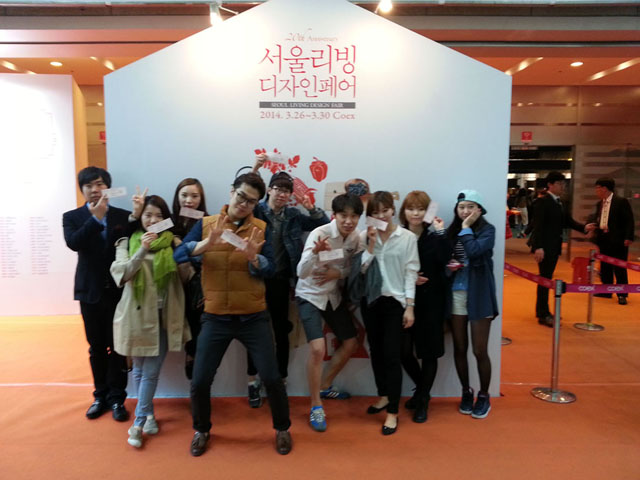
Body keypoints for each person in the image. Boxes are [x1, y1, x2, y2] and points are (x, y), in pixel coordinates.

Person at [174, 172, 292, 456]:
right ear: (232, 192)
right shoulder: (206, 225)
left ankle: (282, 428)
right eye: (241, 196)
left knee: (272, 377)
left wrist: (255, 258)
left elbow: (272, 268)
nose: (244, 204)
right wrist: (205, 245)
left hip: (253, 316)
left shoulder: (261, 228)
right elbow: (178, 255)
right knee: (200, 380)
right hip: (216, 316)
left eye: (251, 201)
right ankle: (202, 430)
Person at [247, 154, 329, 407]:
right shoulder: (256, 211)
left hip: (281, 280)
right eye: (278, 189)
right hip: (255, 278)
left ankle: (280, 380)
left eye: (286, 191)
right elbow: (243, 195)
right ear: (269, 190)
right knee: (253, 331)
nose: (282, 194)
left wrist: (311, 208)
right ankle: (253, 382)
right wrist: (255, 168)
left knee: (281, 331)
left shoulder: (293, 215)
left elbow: (323, 224)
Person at [62, 166, 143, 421]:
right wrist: (95, 219)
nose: (95, 189)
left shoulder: (122, 216)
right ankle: (100, 396)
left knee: (118, 347)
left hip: (118, 293)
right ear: (82, 190)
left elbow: (134, 239)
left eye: (99, 184)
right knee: (96, 348)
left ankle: (118, 398)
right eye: (89, 186)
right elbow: (74, 242)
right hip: (89, 292)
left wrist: (138, 215)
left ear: (107, 187)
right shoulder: (72, 217)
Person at [110, 195, 191, 448]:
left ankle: (138, 422)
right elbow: (122, 274)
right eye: (148, 215)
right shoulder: (126, 241)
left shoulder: (172, 243)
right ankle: (149, 416)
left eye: (158, 216)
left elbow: (187, 276)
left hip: (165, 316)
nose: (153, 220)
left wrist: (182, 254)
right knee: (140, 369)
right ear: (140, 217)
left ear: (166, 219)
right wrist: (143, 249)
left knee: (151, 372)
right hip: (136, 316)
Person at [295, 194, 363, 432]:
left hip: (332, 295)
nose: (349, 221)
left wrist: (338, 274)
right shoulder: (320, 233)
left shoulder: (355, 238)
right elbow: (301, 272)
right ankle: (316, 405)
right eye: (344, 215)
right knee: (317, 349)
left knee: (351, 343)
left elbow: (352, 267)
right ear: (335, 215)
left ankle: (325, 385)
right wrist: (314, 253)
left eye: (354, 216)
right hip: (309, 295)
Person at [359, 191, 419, 435]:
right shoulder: (365, 235)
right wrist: (372, 243)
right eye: (375, 213)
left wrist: (410, 306)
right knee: (375, 351)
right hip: (371, 302)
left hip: (396, 302)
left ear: (393, 210)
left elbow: (411, 272)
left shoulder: (407, 238)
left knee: (393, 356)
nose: (381, 216)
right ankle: (383, 395)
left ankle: (393, 412)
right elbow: (362, 269)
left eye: (385, 210)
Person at [398, 191, 450, 423]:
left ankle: (422, 400)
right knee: (403, 350)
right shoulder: (398, 235)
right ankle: (422, 391)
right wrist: (409, 278)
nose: (416, 213)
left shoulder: (434, 236)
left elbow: (445, 261)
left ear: (428, 211)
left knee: (429, 352)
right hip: (403, 300)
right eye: (411, 208)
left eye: (421, 209)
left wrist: (441, 234)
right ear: (404, 211)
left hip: (431, 300)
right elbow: (389, 266)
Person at [446, 190, 498, 419]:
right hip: (457, 292)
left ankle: (484, 395)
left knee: (479, 350)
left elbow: (475, 250)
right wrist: (449, 266)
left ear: (479, 209)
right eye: (461, 207)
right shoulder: (451, 231)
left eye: (470, 206)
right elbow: (443, 260)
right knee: (459, 347)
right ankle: (466, 391)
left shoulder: (488, 230)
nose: (465, 211)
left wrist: (466, 227)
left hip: (480, 294)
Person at [528, 172, 589, 327]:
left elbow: (567, 221)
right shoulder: (543, 202)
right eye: (560, 184)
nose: (563, 187)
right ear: (550, 185)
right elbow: (538, 226)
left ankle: (543, 311)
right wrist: (538, 247)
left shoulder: (558, 202)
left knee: (547, 278)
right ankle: (543, 314)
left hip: (554, 246)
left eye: (564, 184)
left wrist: (584, 228)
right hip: (545, 247)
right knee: (545, 279)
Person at [171, 178, 209, 379]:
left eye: (195, 196)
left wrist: (187, 251)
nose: (189, 200)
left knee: (197, 329)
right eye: (184, 195)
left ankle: (194, 363)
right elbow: (146, 227)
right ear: (177, 196)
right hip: (171, 286)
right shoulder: (168, 221)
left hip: (198, 288)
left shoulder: (208, 221)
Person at [589, 177, 635, 305]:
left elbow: (629, 220)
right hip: (603, 239)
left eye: (598, 188)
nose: (596, 191)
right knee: (605, 266)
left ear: (604, 188)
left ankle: (622, 294)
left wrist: (628, 237)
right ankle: (606, 291)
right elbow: (597, 219)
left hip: (618, 240)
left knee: (619, 267)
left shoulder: (621, 201)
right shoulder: (600, 203)